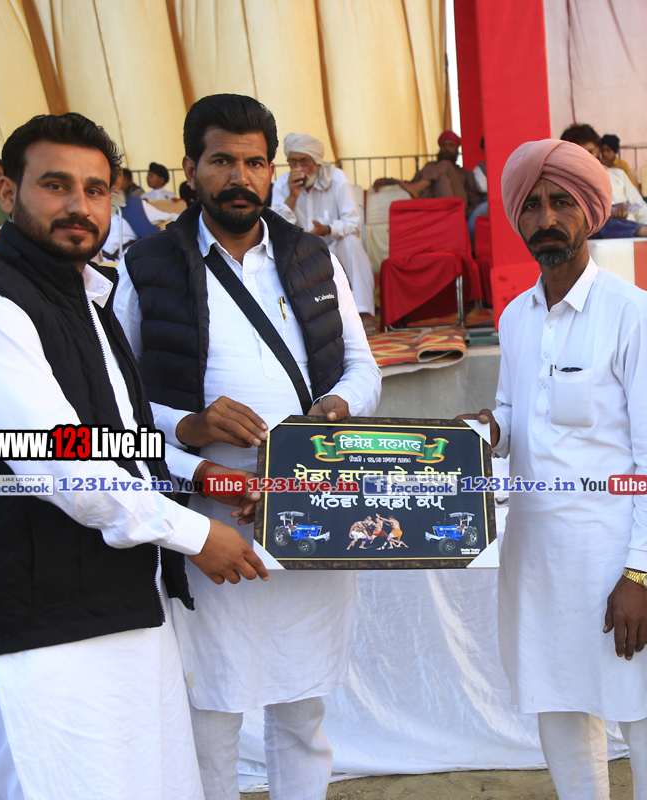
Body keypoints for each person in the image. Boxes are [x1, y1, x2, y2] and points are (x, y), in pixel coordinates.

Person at [0, 112, 267, 800]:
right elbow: (59, 462)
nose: (79, 205)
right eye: (56, 185)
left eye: (95, 190)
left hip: (123, 608)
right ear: (6, 192)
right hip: (37, 640)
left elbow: (110, 441)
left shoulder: (90, 298)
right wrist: (195, 533)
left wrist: (200, 474)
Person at [115, 93, 382, 800]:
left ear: (272, 171)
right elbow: (116, 402)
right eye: (222, 161)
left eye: (255, 163)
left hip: (307, 507)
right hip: (206, 518)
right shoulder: (146, 266)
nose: (240, 177)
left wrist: (333, 410)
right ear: (190, 169)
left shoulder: (313, 257)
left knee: (303, 713)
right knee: (211, 712)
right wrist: (191, 426)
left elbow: (363, 369)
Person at [460, 139, 647, 800]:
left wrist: (641, 572)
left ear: (590, 210)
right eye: (531, 206)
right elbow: (512, 412)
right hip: (535, 556)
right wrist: (487, 430)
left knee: (643, 717)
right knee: (557, 706)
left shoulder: (634, 313)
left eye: (561, 202)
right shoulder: (515, 317)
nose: (547, 219)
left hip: (614, 556)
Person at [271, 132, 379, 333]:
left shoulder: (337, 179)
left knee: (352, 242)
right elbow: (276, 229)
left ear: (317, 162)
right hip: (300, 252)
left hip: (333, 246)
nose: (298, 167)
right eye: (293, 161)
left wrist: (327, 229)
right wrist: (292, 196)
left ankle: (365, 313)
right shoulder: (282, 184)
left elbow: (353, 223)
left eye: (304, 161)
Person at [563, 123, 647, 244]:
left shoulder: (618, 175)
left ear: (597, 151)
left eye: (590, 152)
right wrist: (609, 216)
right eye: (581, 154)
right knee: (604, 224)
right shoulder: (568, 183)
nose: (587, 158)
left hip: (634, 234)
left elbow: (640, 207)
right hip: (601, 233)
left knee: (627, 222)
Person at [374, 130, 482, 215]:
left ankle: (421, 187)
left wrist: (466, 215)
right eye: (444, 145)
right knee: (442, 178)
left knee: (446, 165)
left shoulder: (465, 173)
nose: (447, 148)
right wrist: (387, 181)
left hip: (457, 206)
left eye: (451, 145)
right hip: (433, 205)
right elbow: (411, 184)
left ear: (457, 149)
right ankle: (427, 196)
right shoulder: (430, 167)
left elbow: (475, 200)